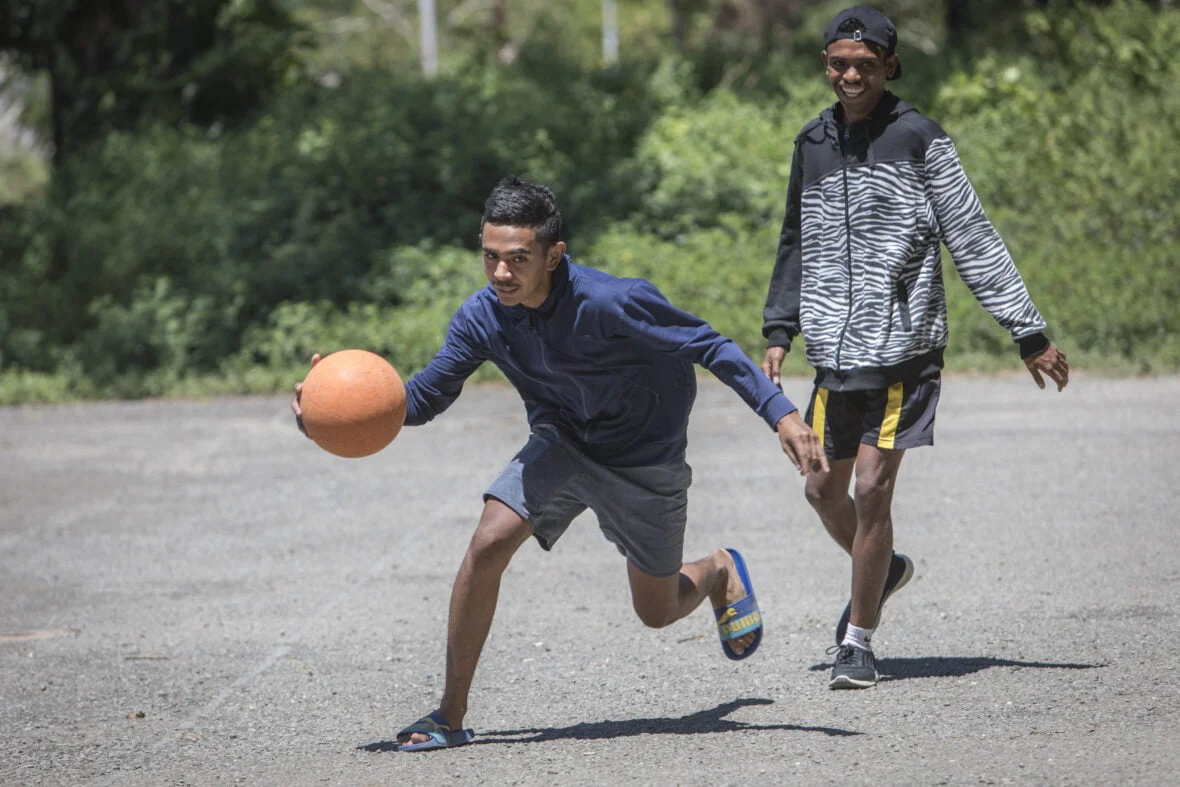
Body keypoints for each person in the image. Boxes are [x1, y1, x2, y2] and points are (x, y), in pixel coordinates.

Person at [293, 176, 828, 750]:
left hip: (644, 455)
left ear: (553, 255)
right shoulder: (483, 317)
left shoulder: (612, 301)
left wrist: (783, 415)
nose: (501, 274)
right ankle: (449, 715)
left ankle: (718, 569)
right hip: (563, 441)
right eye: (491, 257)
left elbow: (711, 346)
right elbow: (419, 400)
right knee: (487, 542)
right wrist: (331, 412)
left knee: (659, 609)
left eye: (518, 260)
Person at [760, 7, 1070, 690]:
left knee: (871, 488)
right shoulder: (812, 142)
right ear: (825, 64)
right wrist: (780, 327)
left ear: (890, 66)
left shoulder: (920, 140)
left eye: (865, 66)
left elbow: (973, 235)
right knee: (820, 488)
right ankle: (887, 567)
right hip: (835, 356)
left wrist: (1028, 331)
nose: (850, 76)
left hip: (904, 352)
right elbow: (794, 237)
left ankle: (859, 639)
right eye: (839, 64)